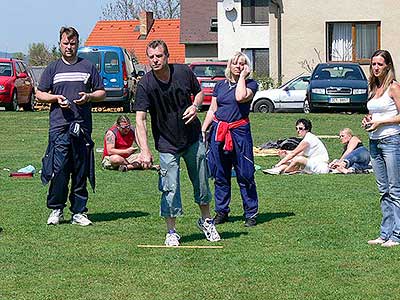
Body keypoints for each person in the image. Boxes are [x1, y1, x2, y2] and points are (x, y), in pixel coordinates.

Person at [133, 39, 220, 246]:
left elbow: (199, 93)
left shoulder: (183, 72)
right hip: (166, 144)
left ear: (167, 56)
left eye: (159, 56)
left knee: (201, 182)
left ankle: (207, 221)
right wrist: (144, 150)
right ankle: (171, 231)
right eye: (151, 57)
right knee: (169, 188)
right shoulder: (145, 84)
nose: (155, 60)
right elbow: (140, 119)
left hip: (192, 138)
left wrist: (195, 105)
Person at [36, 27, 106, 226]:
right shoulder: (53, 68)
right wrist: (56, 98)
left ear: (78, 43)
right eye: (66, 43)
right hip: (59, 126)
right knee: (59, 170)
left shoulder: (88, 66)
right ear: (60, 43)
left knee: (80, 170)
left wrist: (90, 96)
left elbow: (102, 92)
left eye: (73, 43)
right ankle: (56, 209)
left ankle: (79, 212)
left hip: (82, 126)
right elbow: (40, 93)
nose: (69, 47)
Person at [201, 51, 259, 227]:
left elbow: (240, 96)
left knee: (245, 174)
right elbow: (212, 109)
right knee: (220, 174)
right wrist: (204, 128)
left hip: (239, 133)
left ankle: (251, 213)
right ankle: (222, 211)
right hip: (219, 132)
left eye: (242, 63)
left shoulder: (251, 84)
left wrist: (243, 76)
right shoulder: (220, 86)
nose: (238, 66)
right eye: (235, 63)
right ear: (229, 65)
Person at [363, 50, 400, 248]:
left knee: (395, 190)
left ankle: (397, 234)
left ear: (388, 66)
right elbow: (373, 113)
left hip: (391, 141)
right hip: (374, 142)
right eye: (373, 64)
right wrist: (368, 121)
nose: (376, 68)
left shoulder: (394, 88)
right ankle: (384, 233)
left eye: (379, 64)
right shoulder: (373, 87)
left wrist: (381, 123)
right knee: (383, 190)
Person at [263, 119, 329, 175]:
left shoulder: (308, 139)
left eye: (300, 128)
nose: (298, 131)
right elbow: (299, 153)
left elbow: (294, 153)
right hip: (314, 164)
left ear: (307, 129)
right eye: (296, 128)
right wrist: (286, 153)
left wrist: (279, 163)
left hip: (321, 167)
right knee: (295, 159)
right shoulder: (308, 138)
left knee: (298, 159)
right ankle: (277, 169)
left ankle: (281, 170)